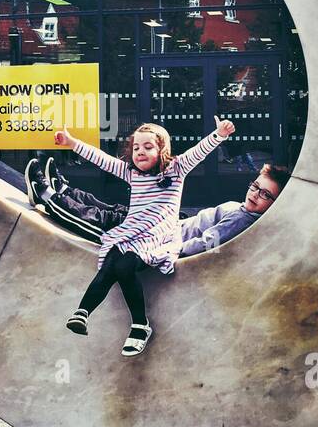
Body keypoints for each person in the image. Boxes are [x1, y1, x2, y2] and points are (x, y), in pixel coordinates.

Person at [56, 119, 233, 357]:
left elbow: (198, 152)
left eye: (148, 146)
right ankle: (83, 312)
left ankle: (140, 325)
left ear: (162, 149)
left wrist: (219, 134)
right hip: (132, 231)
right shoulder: (131, 172)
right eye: (136, 147)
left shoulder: (175, 169)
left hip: (158, 234)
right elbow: (102, 160)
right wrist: (71, 143)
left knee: (126, 261)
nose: (140, 151)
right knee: (113, 259)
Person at [27, 155, 284, 253]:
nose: (255, 194)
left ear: (275, 203)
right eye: (255, 186)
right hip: (171, 222)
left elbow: (208, 242)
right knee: (116, 211)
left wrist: (170, 251)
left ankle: (49, 198)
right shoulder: (245, 211)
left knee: (106, 223)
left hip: (161, 237)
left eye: (264, 195)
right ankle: (66, 190)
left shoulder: (243, 220)